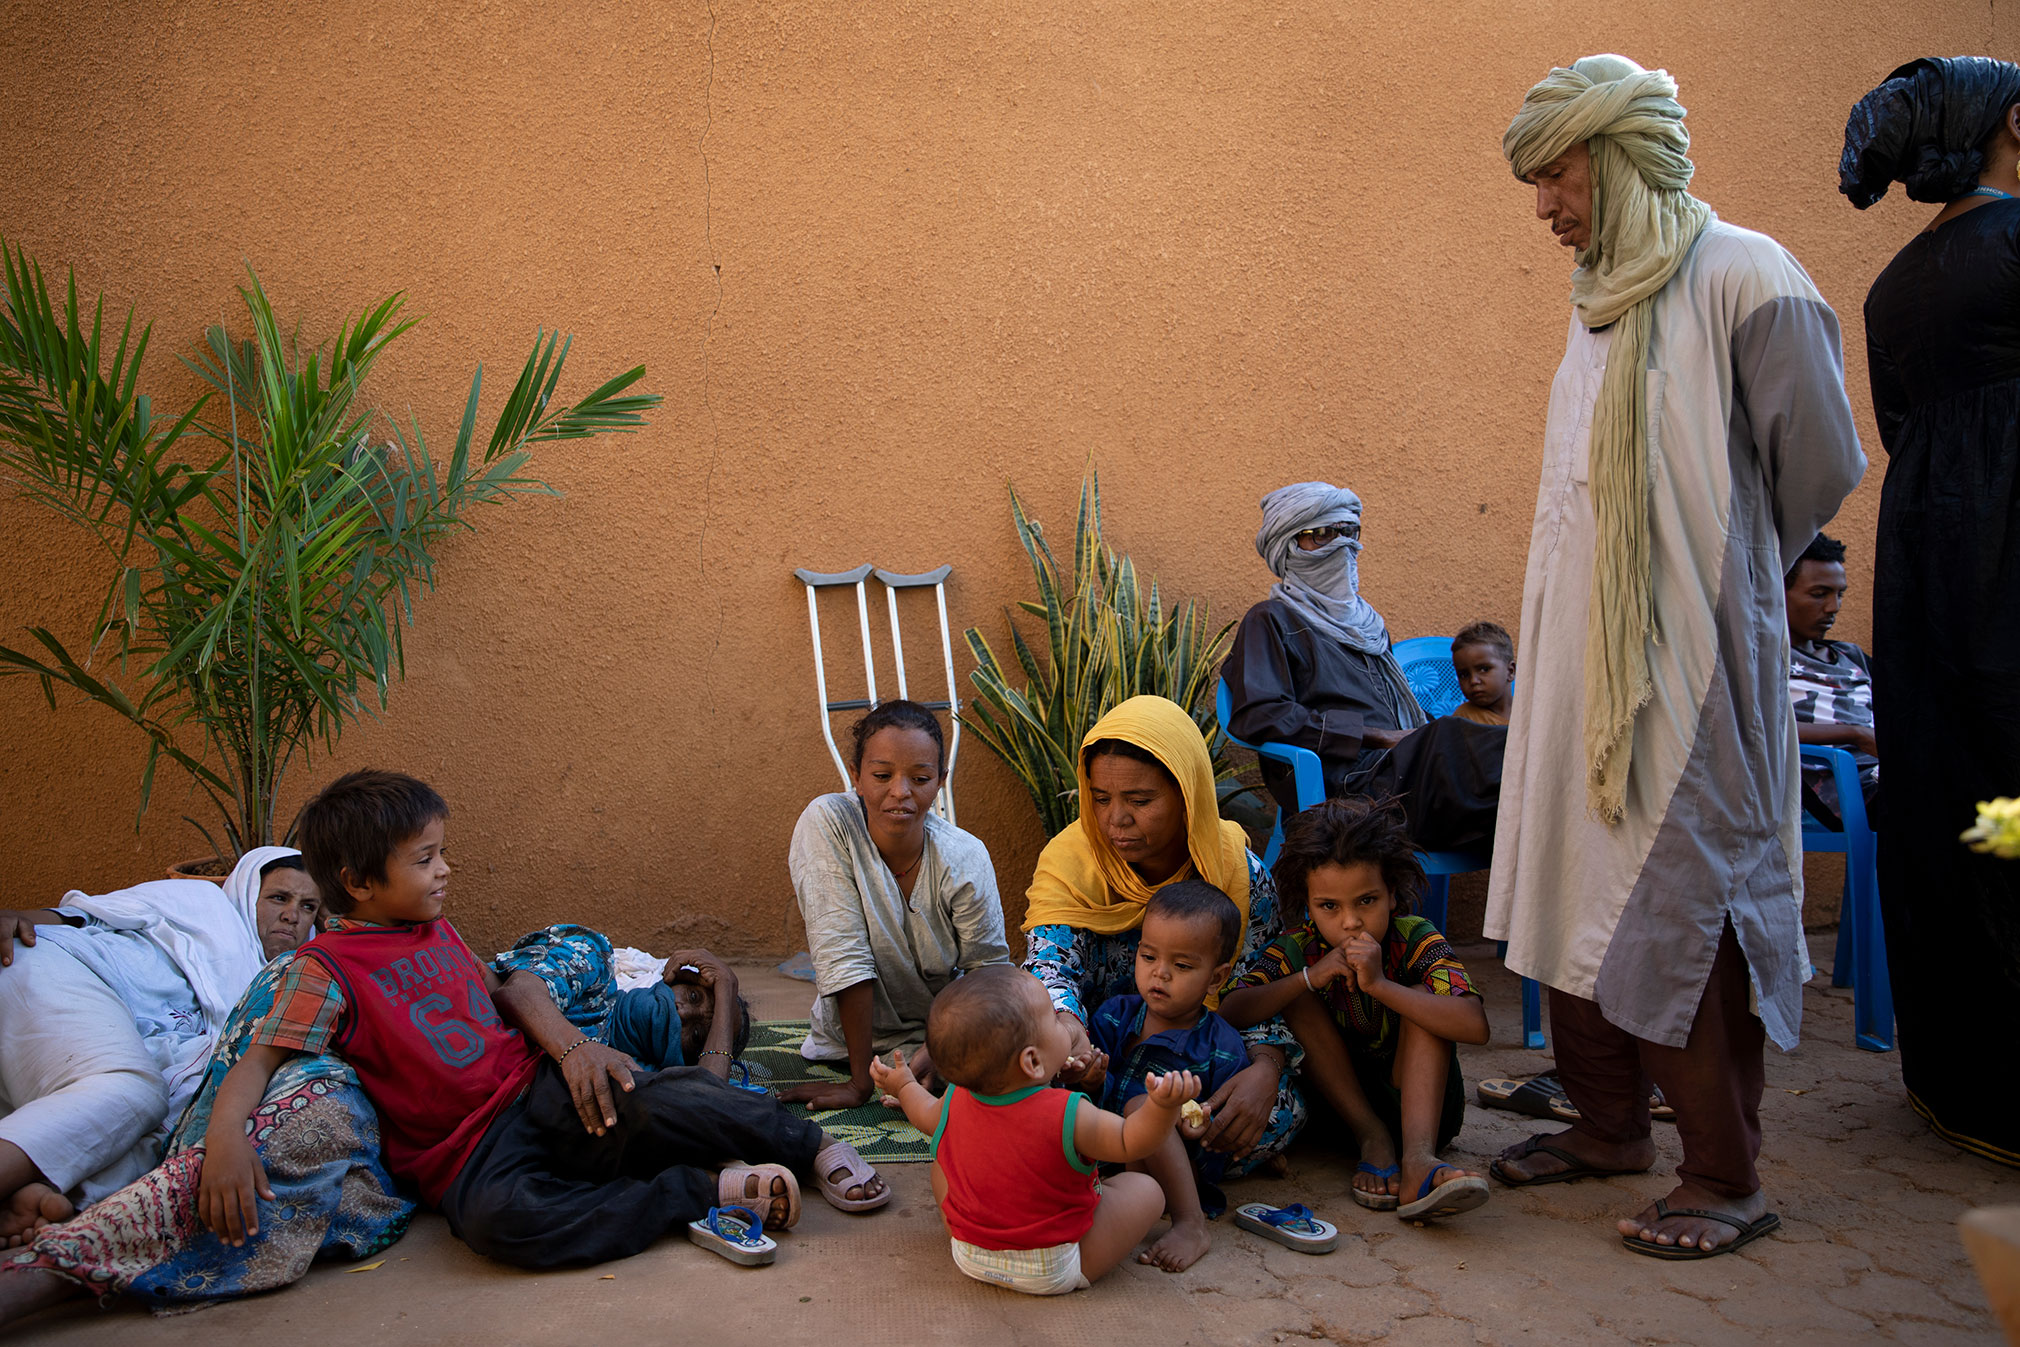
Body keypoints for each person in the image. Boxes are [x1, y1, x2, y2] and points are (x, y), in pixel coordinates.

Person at [1487, 55, 1865, 1259]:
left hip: (1690, 664)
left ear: (1619, 153)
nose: (1544, 208)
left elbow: (1814, 469)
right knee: (1569, 888)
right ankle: (1608, 1127)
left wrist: (1718, 585)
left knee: (1673, 906)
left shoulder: (1746, 274)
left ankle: (1724, 1175)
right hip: (1576, 666)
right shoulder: (1600, 296)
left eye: (1554, 175)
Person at [195, 769, 888, 1272]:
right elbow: (257, 1060)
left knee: (661, 1094)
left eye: (442, 852)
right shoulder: (323, 969)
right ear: (358, 882)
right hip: (464, 1156)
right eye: (425, 858)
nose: (445, 870)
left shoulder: (435, 929)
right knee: (507, 1225)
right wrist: (226, 1138)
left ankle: (812, 1147)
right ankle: (702, 1192)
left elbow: (509, 986)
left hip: (539, 1090)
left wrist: (574, 1047)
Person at [1841, 54, 2020, 1167]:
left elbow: (1908, 436)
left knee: (1969, 811)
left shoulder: (1892, 287)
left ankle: (1964, 1081)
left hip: (1928, 578)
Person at [1021, 694, 1307, 1233]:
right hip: (1097, 1057)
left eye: (1140, 799)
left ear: (1187, 795)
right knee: (1022, 1074)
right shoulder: (1071, 859)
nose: (1115, 819)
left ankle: (1117, 1160)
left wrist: (1265, 1069)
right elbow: (1049, 969)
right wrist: (1070, 1033)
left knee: (1276, 1108)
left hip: (1200, 1062)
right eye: (1100, 798)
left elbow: (1255, 984)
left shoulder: (1237, 875)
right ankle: (1166, 1163)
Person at [0, 846, 319, 1246]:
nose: (293, 914)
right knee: (130, 1091)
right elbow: (90, 912)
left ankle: (39, 1194)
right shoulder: (203, 904)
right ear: (246, 890)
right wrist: (20, 918)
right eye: (278, 898)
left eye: (308, 907)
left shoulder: (261, 985)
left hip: (66, 1040)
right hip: (50, 965)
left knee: (173, 1120)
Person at [1221, 799, 1489, 1223]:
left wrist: (1382, 986)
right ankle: (1372, 1136)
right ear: (1308, 905)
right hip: (1336, 1114)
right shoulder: (1299, 946)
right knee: (1296, 996)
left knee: (1425, 996)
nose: (1351, 923)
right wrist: (1310, 976)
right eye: (1329, 906)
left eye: (1367, 901)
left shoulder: (1415, 938)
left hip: (1425, 1110)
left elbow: (1475, 1025)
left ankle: (1420, 1158)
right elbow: (1231, 1010)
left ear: (1392, 894)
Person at [869, 965, 1201, 1297]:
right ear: (1032, 1062)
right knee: (1144, 1188)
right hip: (1055, 1266)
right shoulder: (1069, 1112)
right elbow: (1133, 1141)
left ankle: (975, 1233)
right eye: (1055, 1021)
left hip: (968, 1253)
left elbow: (922, 1112)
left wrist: (904, 1084)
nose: (1064, 1024)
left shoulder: (955, 1096)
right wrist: (1162, 1107)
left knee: (942, 1163)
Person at [1223, 483, 1507, 852]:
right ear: (1288, 546)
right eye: (1322, 534)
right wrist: (1377, 737)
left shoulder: (1366, 626)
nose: (1342, 544)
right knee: (1508, 761)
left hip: (1407, 771)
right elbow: (1260, 715)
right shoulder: (1270, 620)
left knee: (1525, 761)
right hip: (1349, 783)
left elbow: (1407, 720)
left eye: (1349, 532)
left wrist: (1431, 735)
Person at [784, 699, 1010, 1110]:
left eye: (920, 778)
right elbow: (842, 952)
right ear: (856, 775)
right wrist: (859, 1085)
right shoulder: (829, 822)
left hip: (940, 1035)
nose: (900, 793)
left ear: (940, 780)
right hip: (848, 1042)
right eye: (882, 775)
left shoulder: (965, 857)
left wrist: (940, 1046)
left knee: (1032, 1058)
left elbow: (988, 972)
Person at [1079, 879, 1250, 1271]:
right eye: (1149, 957)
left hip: (1177, 1168)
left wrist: (1197, 1123)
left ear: (1216, 978)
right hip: (1115, 1157)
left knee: (1146, 1104)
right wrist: (1090, 1081)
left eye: (1182, 965)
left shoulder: (1220, 1047)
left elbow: (1220, 1121)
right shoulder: (1114, 1015)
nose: (1161, 974)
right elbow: (1097, 1101)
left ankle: (1191, 1223)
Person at [1783, 533, 1879, 822]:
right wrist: (1855, 734)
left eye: (1839, 594)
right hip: (1850, 791)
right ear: (1777, 590)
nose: (1833, 607)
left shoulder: (1851, 656)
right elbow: (1762, 727)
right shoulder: (1764, 660)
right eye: (1819, 594)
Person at [1448, 621, 1515, 726]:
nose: (1473, 681)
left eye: (1484, 669)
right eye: (1464, 675)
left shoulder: (1531, 713)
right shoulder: (1464, 720)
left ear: (1510, 671)